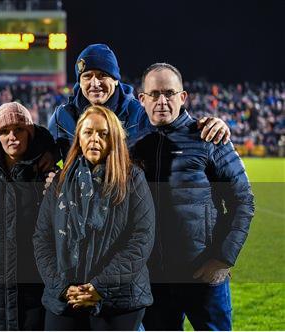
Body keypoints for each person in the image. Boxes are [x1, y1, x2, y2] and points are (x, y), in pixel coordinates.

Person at [132, 63, 255, 330]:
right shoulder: (132, 144)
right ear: (142, 99)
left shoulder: (209, 137)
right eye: (154, 94)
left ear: (183, 97)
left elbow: (242, 200)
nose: (162, 101)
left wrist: (223, 258)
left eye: (169, 93)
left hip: (203, 275)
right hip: (153, 281)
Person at [34, 105, 155, 330]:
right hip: (64, 299)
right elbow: (42, 238)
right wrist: (62, 287)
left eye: (103, 133)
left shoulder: (133, 179)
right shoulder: (59, 183)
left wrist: (99, 287)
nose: (94, 139)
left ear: (114, 139)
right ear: (78, 137)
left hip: (118, 301)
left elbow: (141, 239)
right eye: (88, 132)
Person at [48, 43, 231, 158]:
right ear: (79, 81)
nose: (95, 83)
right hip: (82, 213)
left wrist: (209, 125)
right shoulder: (62, 118)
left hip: (128, 211)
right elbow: (41, 158)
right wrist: (52, 176)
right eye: (87, 76)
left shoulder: (140, 113)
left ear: (116, 79)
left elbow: (176, 132)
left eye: (102, 75)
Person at [0, 102, 58, 330]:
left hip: (35, 283)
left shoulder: (48, 176)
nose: (12, 137)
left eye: (19, 129)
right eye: (5, 131)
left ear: (29, 133)